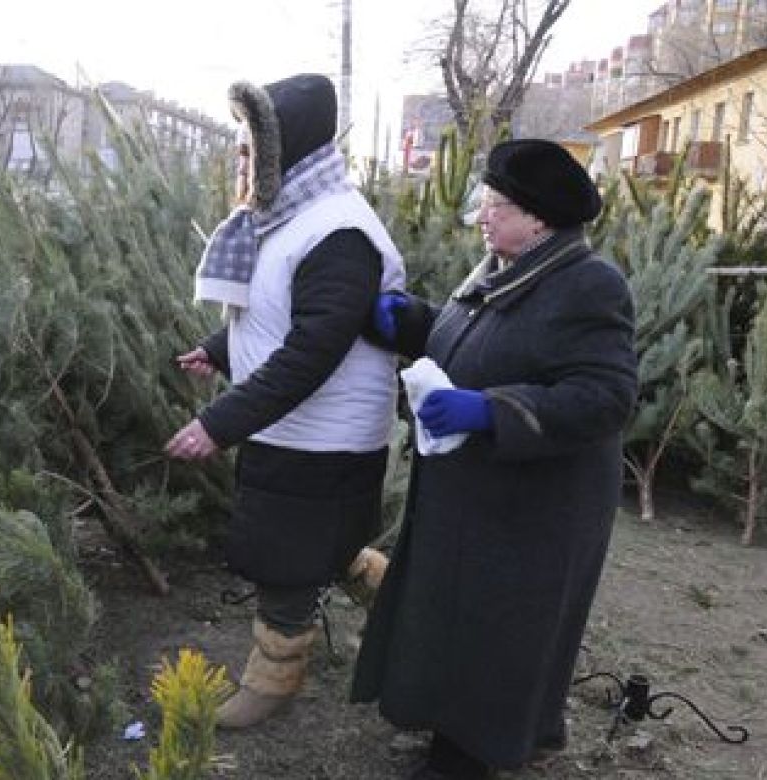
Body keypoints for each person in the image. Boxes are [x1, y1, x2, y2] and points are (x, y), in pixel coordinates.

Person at [349, 138, 638, 779]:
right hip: (478, 493)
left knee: (500, 627)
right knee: (457, 615)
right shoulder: (500, 269)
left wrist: (492, 410)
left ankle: (472, 755)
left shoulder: (588, 285)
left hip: (535, 508)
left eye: (495, 205)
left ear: (538, 216)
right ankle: (457, 729)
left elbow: (605, 395)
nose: (482, 215)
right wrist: (414, 323)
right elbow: (483, 342)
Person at [164, 73, 403, 729]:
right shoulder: (293, 216)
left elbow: (311, 351)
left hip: (323, 438)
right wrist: (219, 349)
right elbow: (273, 310)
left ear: (284, 154)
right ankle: (413, 610)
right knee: (324, 546)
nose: (240, 161)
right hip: (296, 431)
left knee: (286, 564)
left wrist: (218, 423)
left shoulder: (340, 231)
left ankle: (271, 681)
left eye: (249, 150)